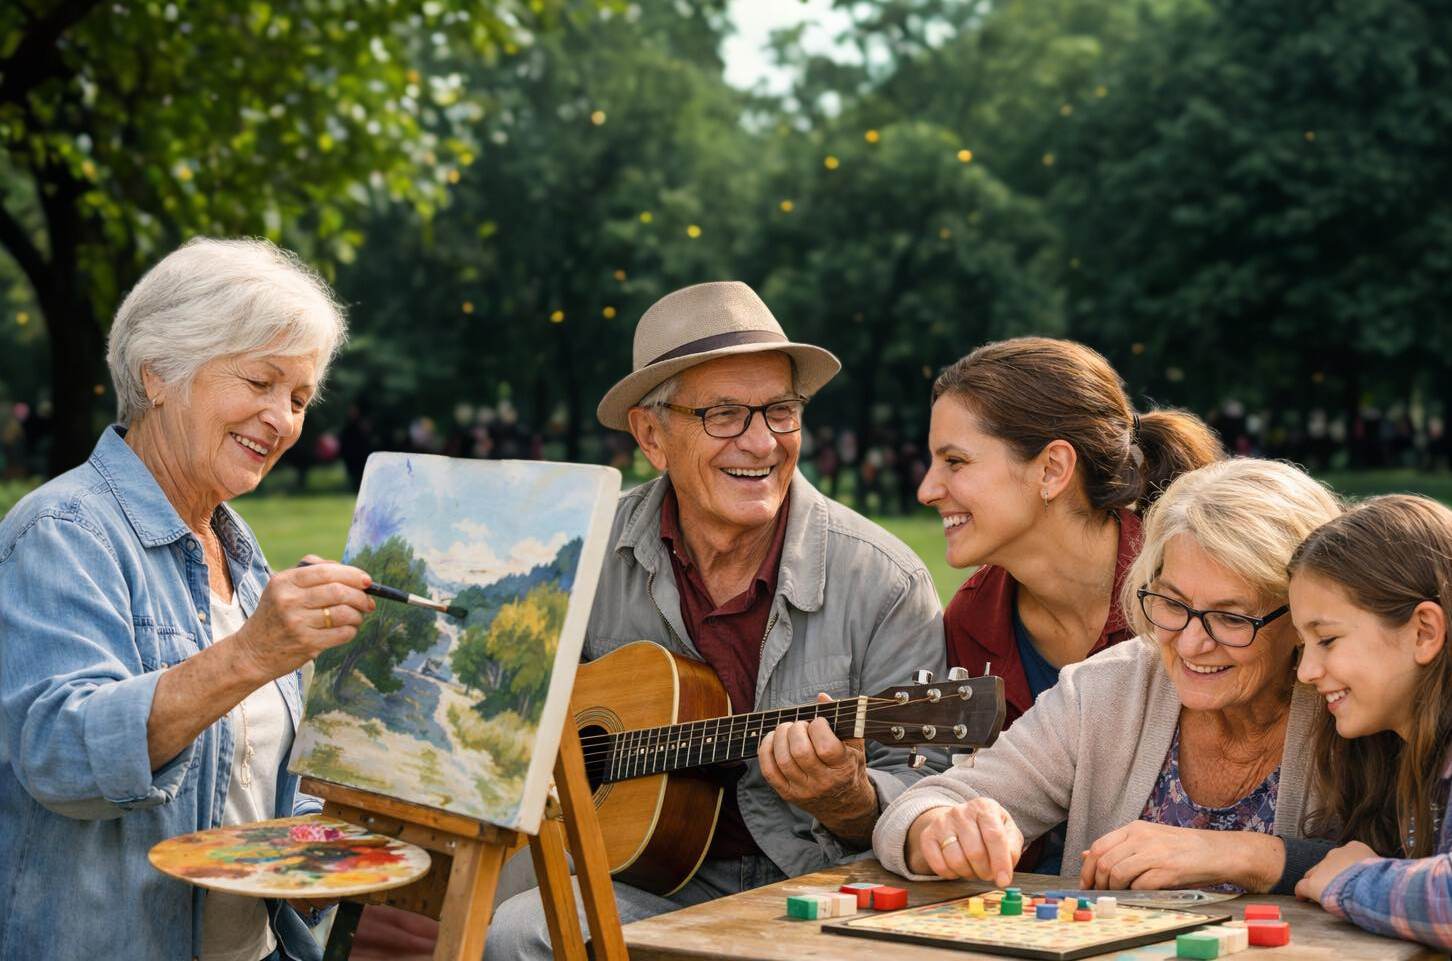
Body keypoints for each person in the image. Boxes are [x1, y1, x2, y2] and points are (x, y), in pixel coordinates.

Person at [485, 281, 946, 959]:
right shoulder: (582, 553)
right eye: (724, 414)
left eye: (781, 411)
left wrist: (850, 800)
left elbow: (930, 778)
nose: (761, 443)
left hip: (821, 887)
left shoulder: (884, 579)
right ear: (651, 434)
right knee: (520, 932)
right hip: (644, 881)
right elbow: (495, 699)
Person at [0, 238, 371, 961]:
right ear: (160, 373)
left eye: (298, 399)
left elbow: (265, 784)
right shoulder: (63, 533)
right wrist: (253, 653)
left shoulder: (240, 555)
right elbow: (61, 757)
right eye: (261, 383)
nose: (283, 420)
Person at [872, 458, 1342, 894]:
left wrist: (1254, 856)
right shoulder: (1108, 689)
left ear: (1303, 619)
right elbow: (924, 804)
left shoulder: (1350, 703)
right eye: (1172, 604)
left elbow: (1408, 872)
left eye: (1232, 618)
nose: (1192, 644)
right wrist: (940, 828)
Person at [918, 338, 1223, 871]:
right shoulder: (972, 618)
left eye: (955, 461)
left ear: (1052, 469)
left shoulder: (1190, 603)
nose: (926, 489)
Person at [1290, 496, 1452, 959]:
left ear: (1424, 631)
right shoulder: (1409, 750)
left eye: (1326, 639)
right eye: (1304, 645)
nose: (1306, 671)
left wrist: (1351, 881)